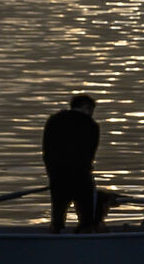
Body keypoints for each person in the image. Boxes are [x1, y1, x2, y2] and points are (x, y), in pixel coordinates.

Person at [42, 94, 103, 233]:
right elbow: (90, 153)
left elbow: (47, 150)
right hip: (80, 176)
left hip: (57, 175)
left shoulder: (53, 121)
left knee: (58, 216)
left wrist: (51, 172)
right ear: (87, 108)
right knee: (87, 219)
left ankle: (54, 239)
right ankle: (84, 241)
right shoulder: (91, 125)